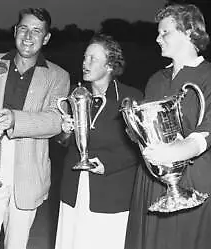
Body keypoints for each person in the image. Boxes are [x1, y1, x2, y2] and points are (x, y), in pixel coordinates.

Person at [124, 4, 211, 249]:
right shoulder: (156, 80)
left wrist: (180, 150)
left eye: (165, 32)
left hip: (196, 176)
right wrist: (133, 128)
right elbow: (145, 129)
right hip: (152, 179)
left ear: (189, 32)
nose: (157, 38)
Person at [0, 7, 70, 249]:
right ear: (15, 31)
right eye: (23, 28)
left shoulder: (58, 76)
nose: (28, 36)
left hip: (29, 173)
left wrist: (15, 120)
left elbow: (55, 120)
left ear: (46, 38)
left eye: (37, 31)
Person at [54, 34, 143, 249]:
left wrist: (108, 164)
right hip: (74, 192)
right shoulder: (74, 95)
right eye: (85, 58)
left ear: (110, 65)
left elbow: (141, 148)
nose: (85, 63)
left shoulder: (130, 97)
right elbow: (62, 144)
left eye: (93, 59)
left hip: (112, 194)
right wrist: (64, 132)